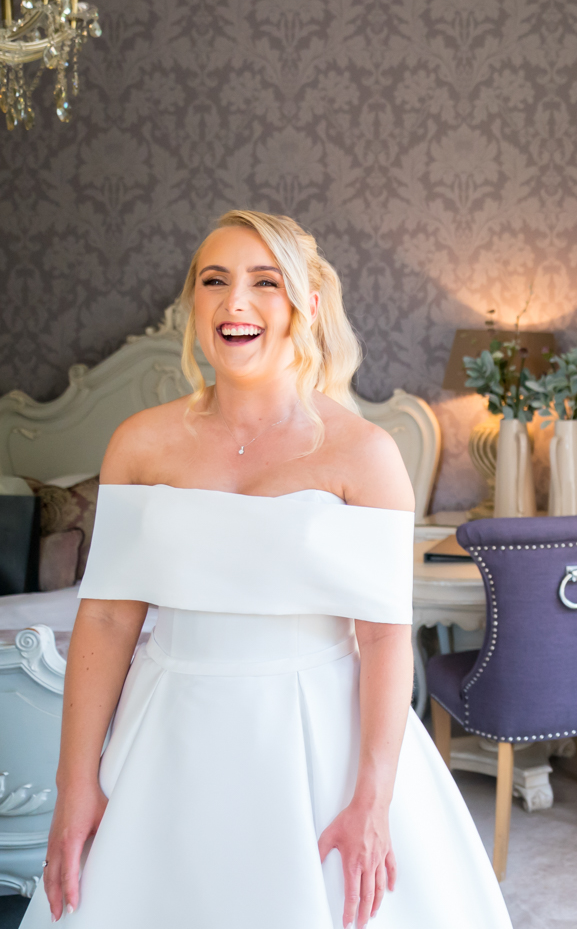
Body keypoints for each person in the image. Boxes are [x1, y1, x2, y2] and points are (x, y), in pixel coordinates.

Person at [24, 211, 510, 928]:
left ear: (305, 305)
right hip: (168, 728)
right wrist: (76, 785)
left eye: (264, 282)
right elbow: (106, 617)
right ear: (194, 303)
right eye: (214, 281)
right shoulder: (140, 443)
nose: (236, 302)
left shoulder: (364, 454)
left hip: (319, 736)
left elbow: (382, 637)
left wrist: (372, 801)